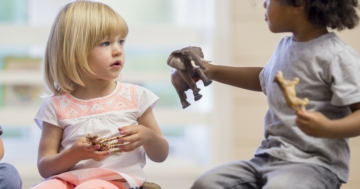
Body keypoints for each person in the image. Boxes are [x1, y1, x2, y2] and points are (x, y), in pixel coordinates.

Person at [191, 0, 360, 188]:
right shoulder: (284, 47)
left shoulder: (338, 56)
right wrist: (213, 71)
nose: (264, 4)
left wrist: (328, 128)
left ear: (298, 4)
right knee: (207, 183)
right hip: (266, 159)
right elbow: (263, 79)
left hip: (314, 165)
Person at [31, 1, 169, 189]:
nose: (118, 50)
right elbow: (45, 168)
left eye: (121, 41)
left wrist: (148, 137)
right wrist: (73, 154)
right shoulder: (55, 106)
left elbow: (161, 155)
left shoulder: (135, 96)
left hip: (117, 181)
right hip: (66, 181)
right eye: (105, 43)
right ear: (74, 54)